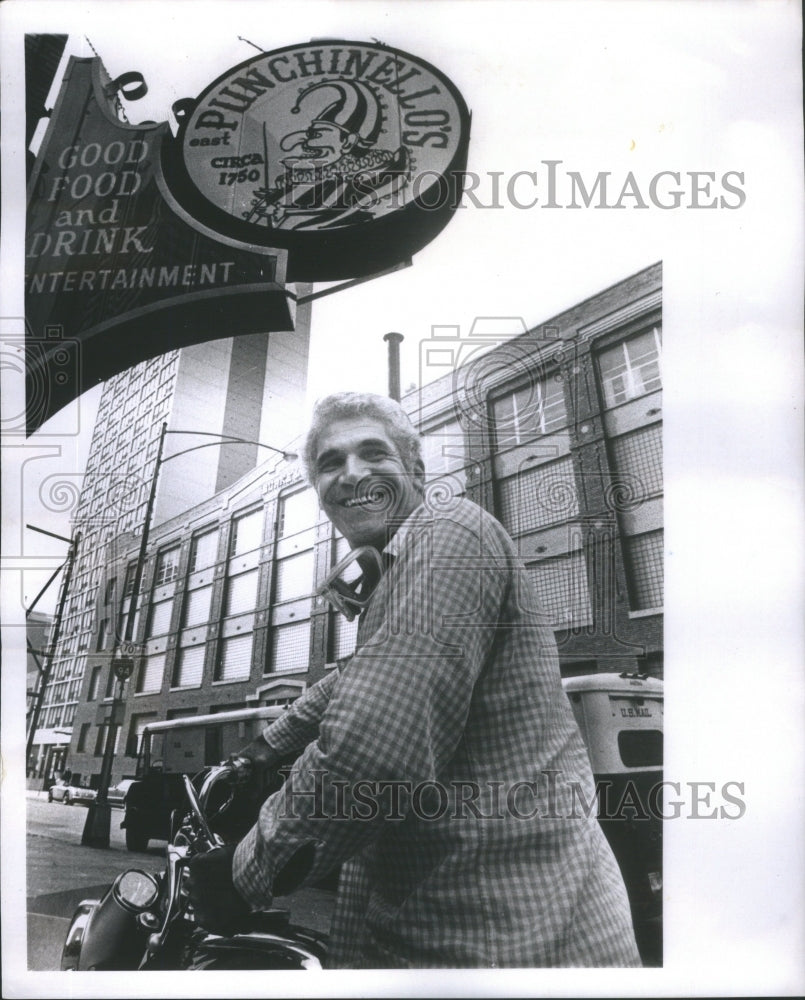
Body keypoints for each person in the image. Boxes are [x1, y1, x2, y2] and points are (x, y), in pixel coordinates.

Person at [187, 392, 641, 968]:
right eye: (330, 463)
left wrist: (244, 872)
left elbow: (372, 750)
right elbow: (357, 678)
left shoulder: (446, 530)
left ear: (417, 471)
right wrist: (261, 750)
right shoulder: (402, 568)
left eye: (372, 453)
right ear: (321, 495)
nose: (351, 473)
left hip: (503, 946)